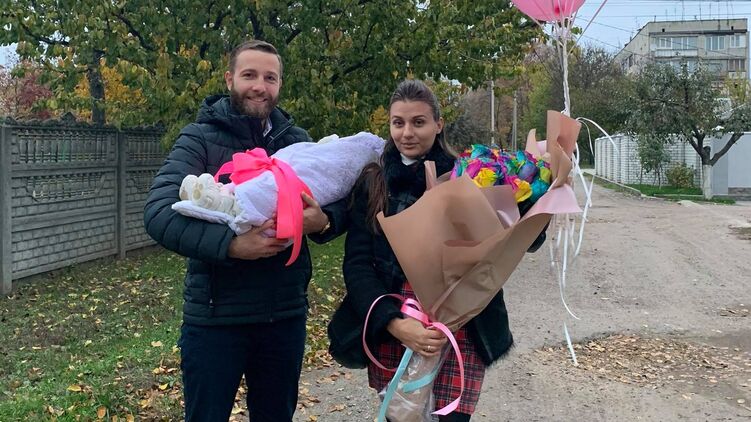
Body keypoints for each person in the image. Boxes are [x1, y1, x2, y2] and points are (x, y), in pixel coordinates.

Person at [144, 40, 346, 422]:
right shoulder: (199, 138)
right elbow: (158, 214)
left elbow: (339, 196)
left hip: (283, 316)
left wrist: (324, 221)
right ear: (229, 79)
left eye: (270, 78)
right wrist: (231, 245)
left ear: (280, 84)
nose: (259, 86)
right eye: (249, 75)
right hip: (215, 319)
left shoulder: (297, 141)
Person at [328, 79, 543, 421]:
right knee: (400, 416)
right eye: (398, 122)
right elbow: (357, 265)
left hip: (462, 323)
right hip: (398, 318)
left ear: (438, 124)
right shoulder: (374, 182)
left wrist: (534, 198)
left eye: (419, 122)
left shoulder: (472, 176)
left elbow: (523, 241)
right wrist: (393, 323)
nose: (407, 133)